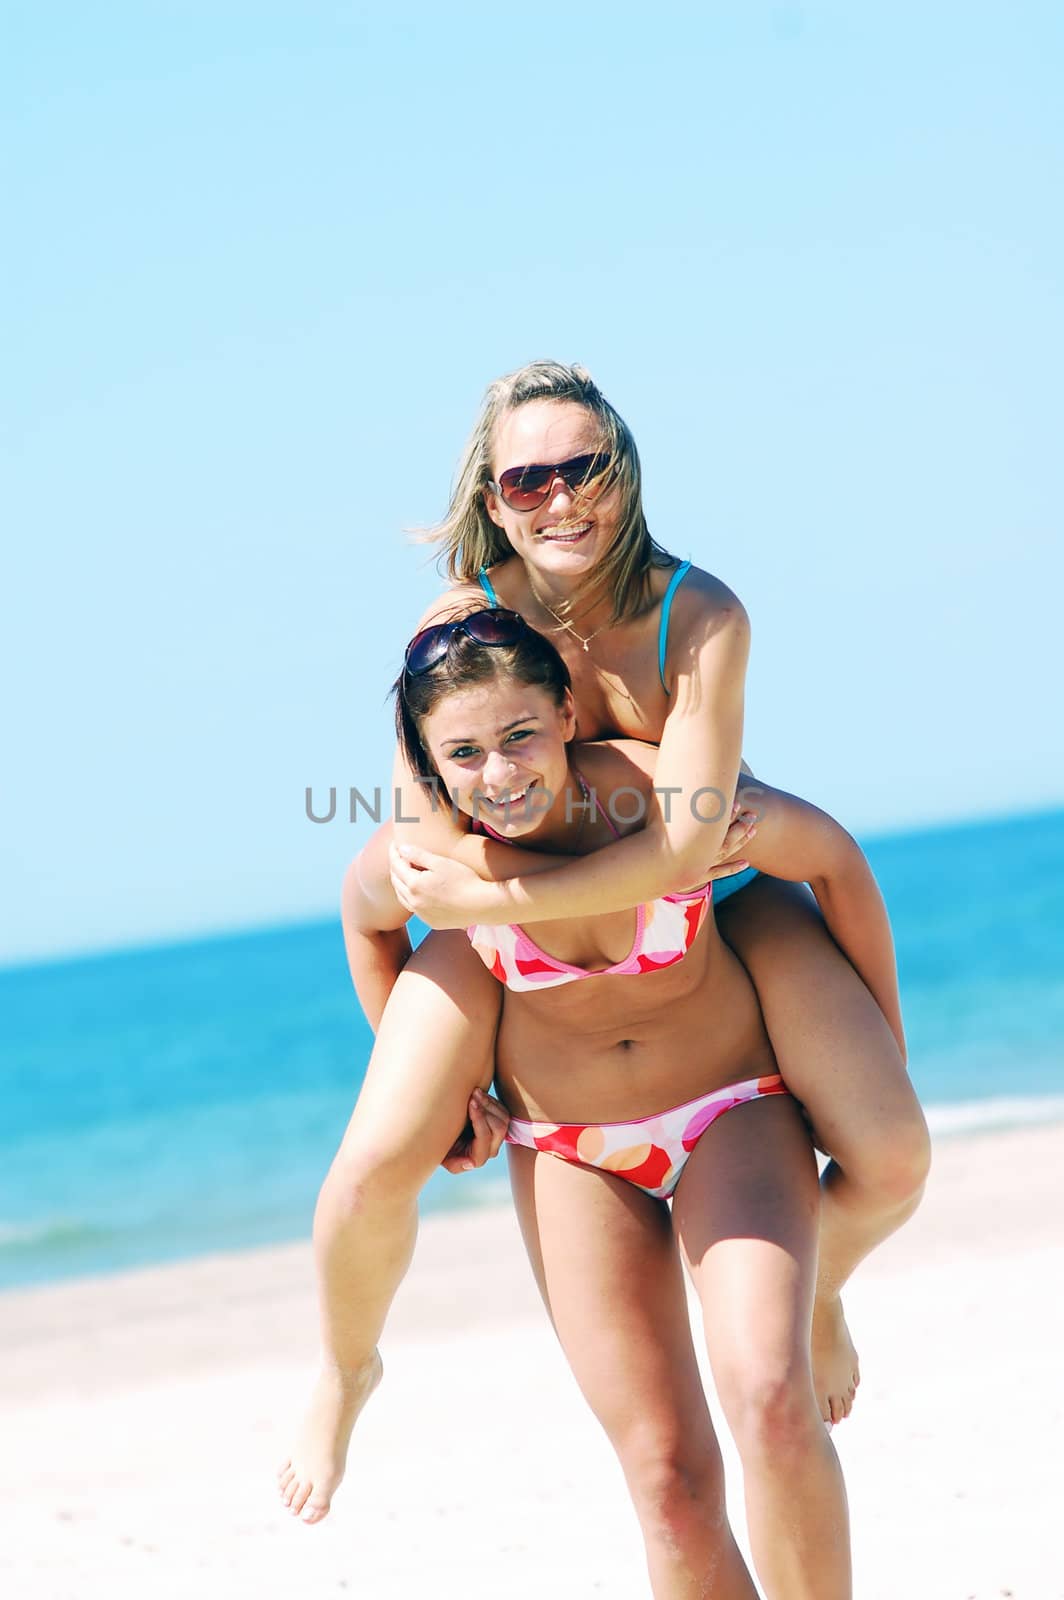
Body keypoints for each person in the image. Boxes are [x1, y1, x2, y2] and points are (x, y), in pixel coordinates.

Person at [283, 608, 872, 1597]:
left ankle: (821, 1303)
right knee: (667, 1484)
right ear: (431, 767)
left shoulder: (659, 799)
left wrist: (872, 1049)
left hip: (729, 1108)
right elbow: (363, 919)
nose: (499, 774)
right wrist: (451, 1092)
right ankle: (345, 1370)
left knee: (771, 1405)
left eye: (518, 736)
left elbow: (828, 854)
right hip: (569, 1147)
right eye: (462, 754)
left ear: (564, 711)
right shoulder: (433, 854)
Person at [385, 360, 930, 1426]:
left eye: (581, 468)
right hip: (579, 934)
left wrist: (881, 1039)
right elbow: (420, 855)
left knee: (894, 1153)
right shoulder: (463, 624)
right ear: (490, 499)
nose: (557, 498)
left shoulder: (699, 612)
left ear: (622, 474)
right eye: (525, 480)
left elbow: (690, 850)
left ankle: (816, 1281)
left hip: (729, 895)